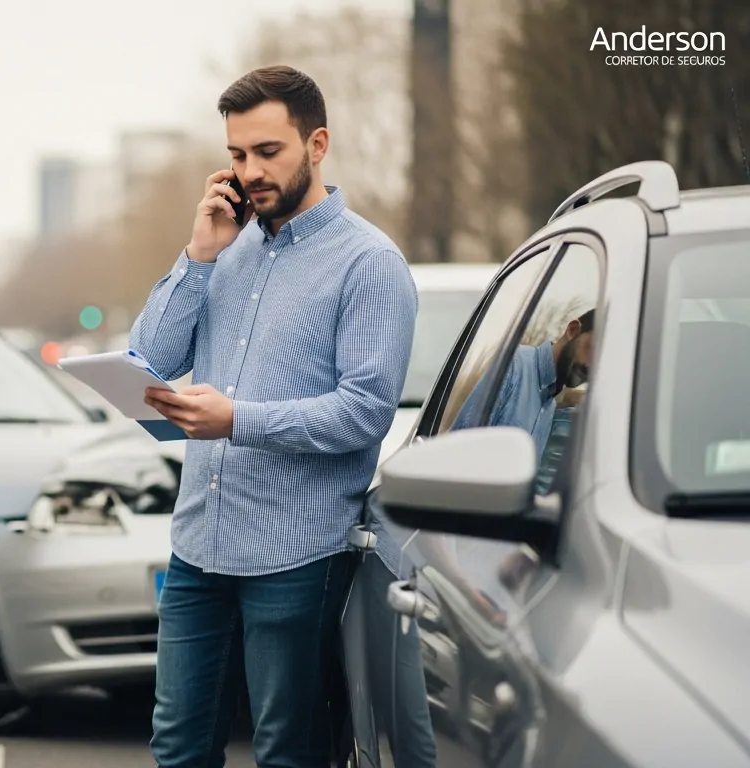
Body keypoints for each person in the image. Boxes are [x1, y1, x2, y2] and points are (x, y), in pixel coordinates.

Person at [131, 65, 418, 768]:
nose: (249, 171)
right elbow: (150, 357)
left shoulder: (369, 263)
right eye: (236, 155)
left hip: (297, 557)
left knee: (290, 753)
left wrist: (239, 420)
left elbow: (363, 415)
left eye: (268, 152)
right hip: (198, 548)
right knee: (177, 749)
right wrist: (199, 255)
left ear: (317, 145)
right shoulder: (225, 247)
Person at [449, 308, 595, 460]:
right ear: (572, 330)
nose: (591, 367)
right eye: (592, 350)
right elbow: (459, 450)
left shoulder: (549, 406)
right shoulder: (513, 365)